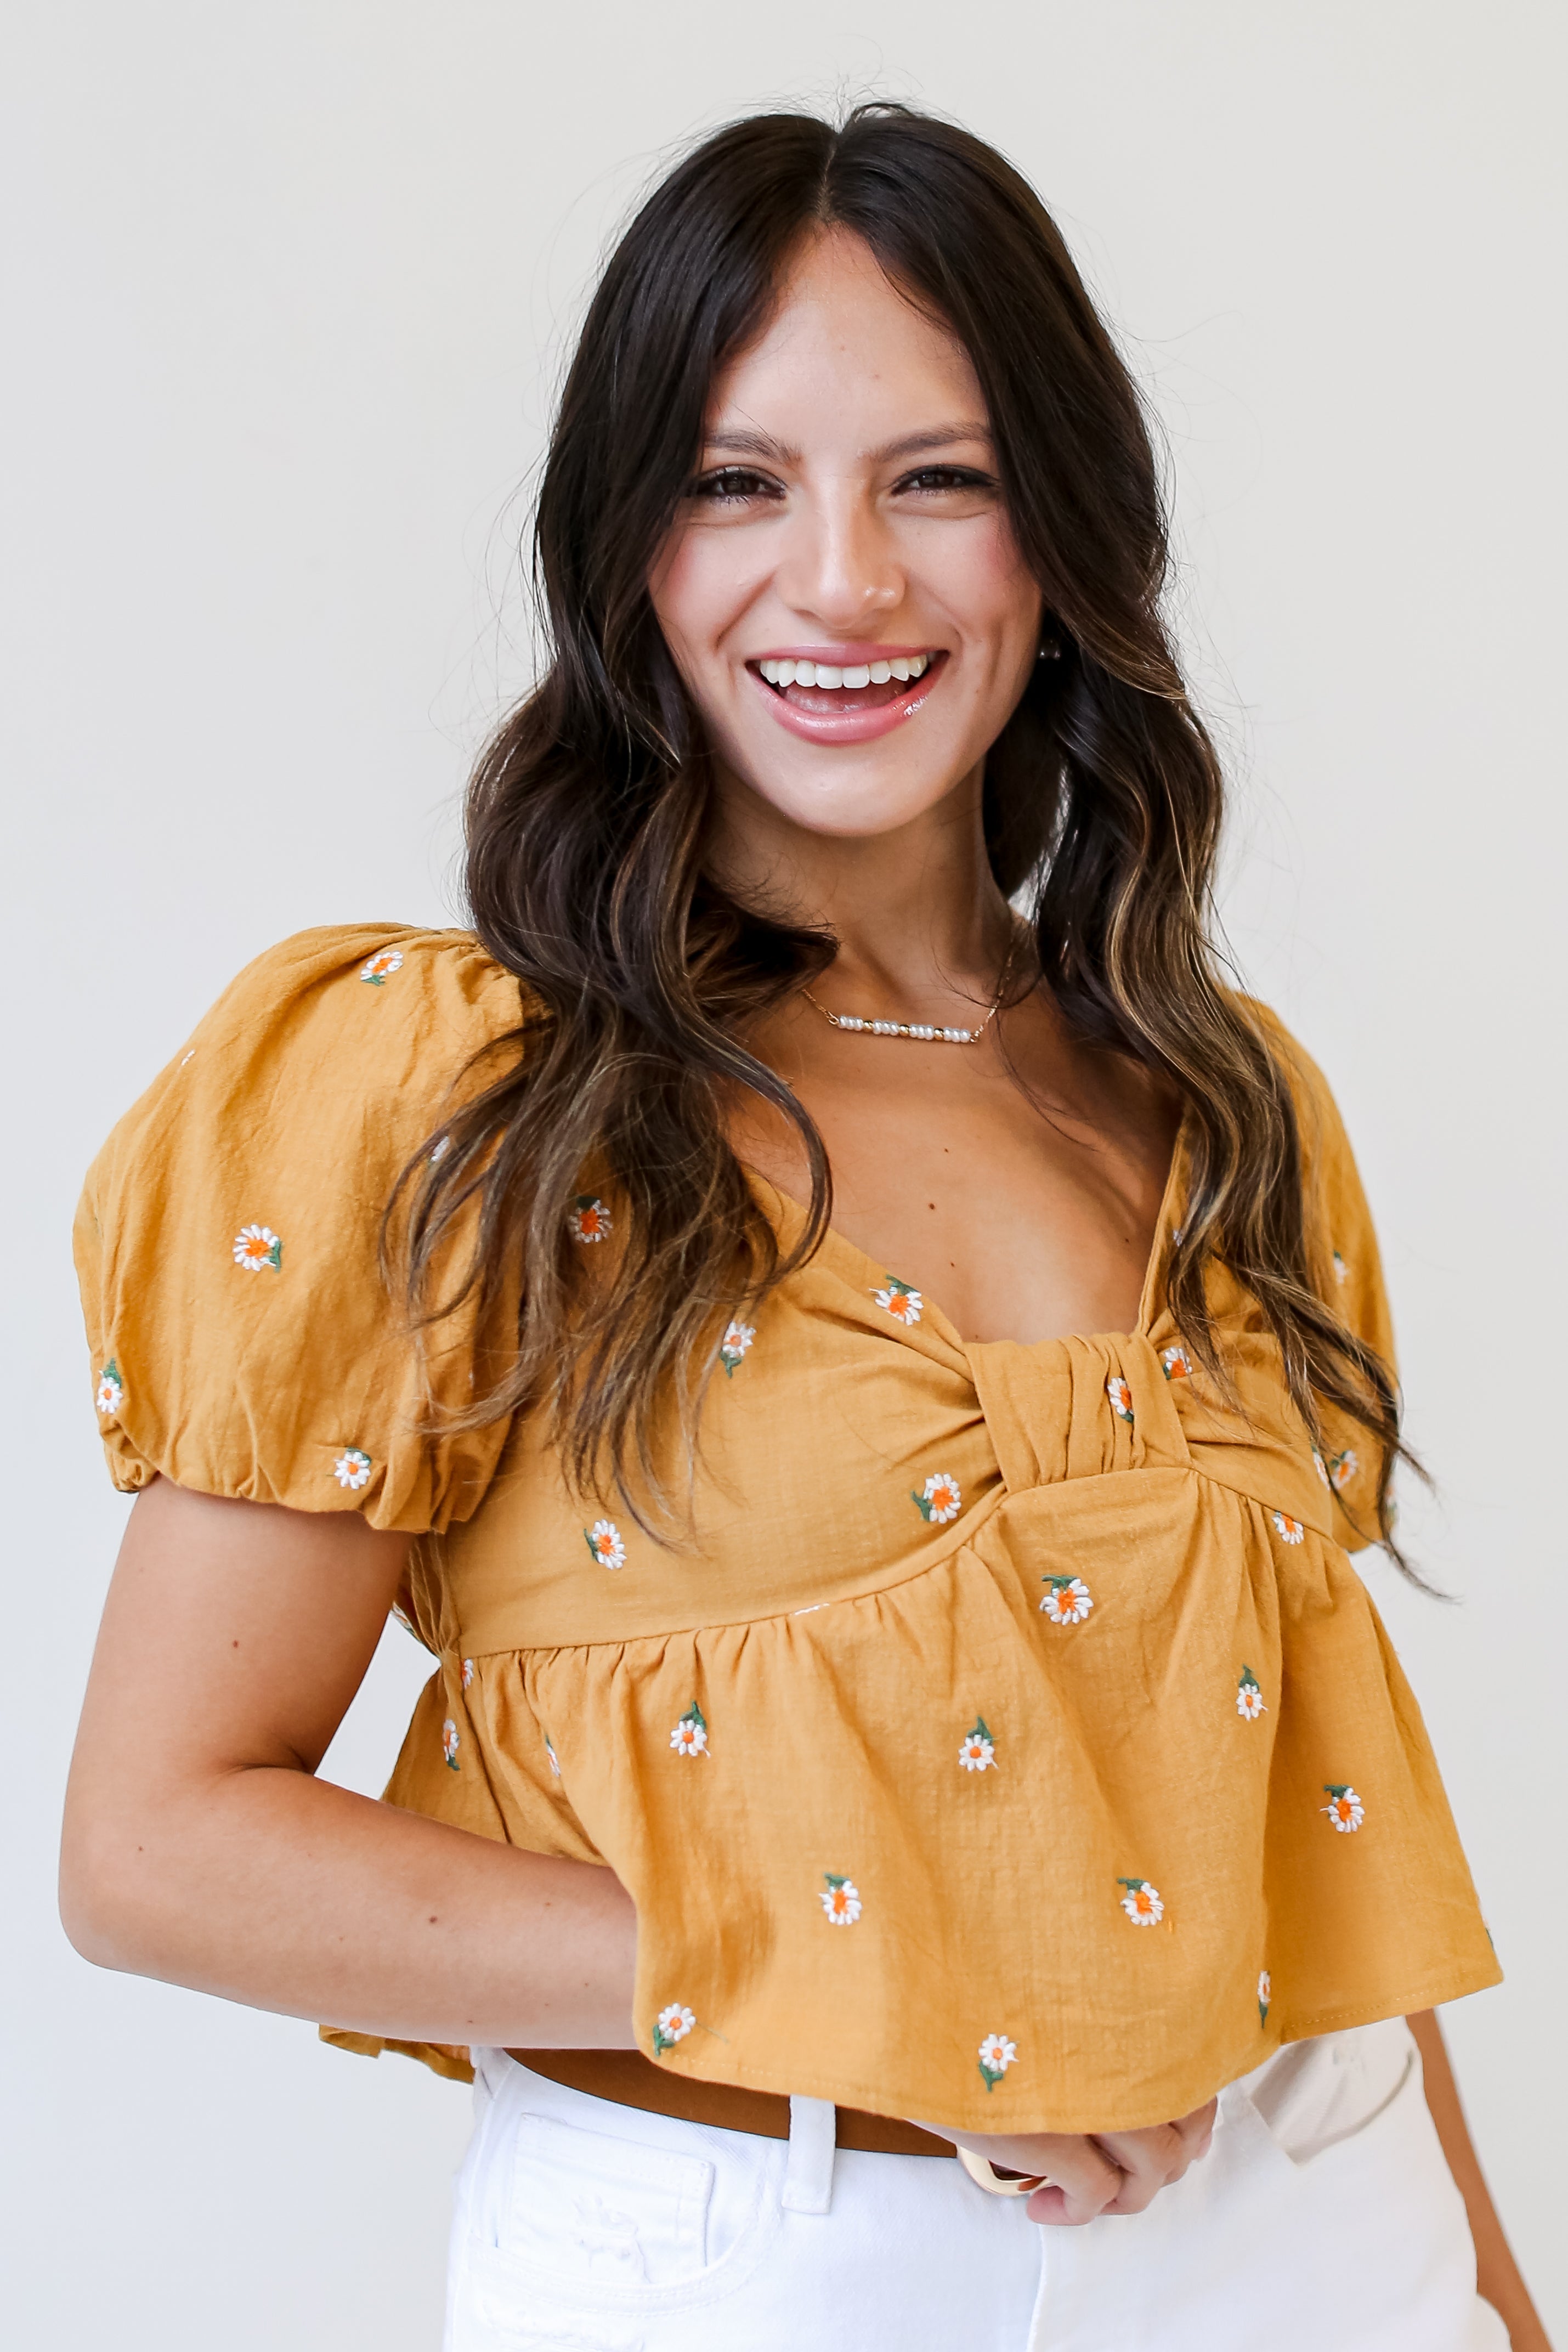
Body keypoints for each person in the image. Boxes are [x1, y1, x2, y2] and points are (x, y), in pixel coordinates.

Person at [62, 104, 1550, 2351]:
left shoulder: (1216, 1103)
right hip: (762, 2257)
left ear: (1058, 540)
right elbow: (157, 1844)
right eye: (736, 483)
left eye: (934, 479)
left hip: (1318, 2223)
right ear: (625, 553)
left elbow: (1312, 1841)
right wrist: (866, 1955)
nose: (841, 582)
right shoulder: (449, 1098)